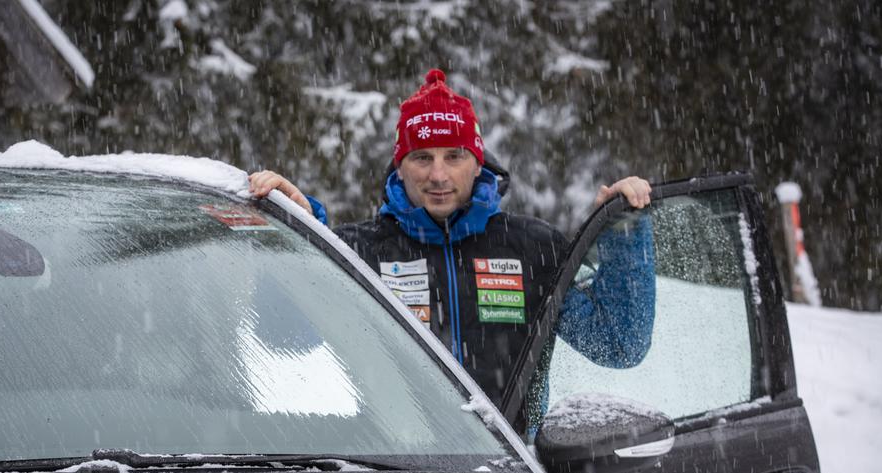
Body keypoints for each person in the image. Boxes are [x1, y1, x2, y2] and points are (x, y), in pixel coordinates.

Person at [249, 69, 655, 427]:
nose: (438, 175)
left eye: (454, 156)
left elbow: (618, 343)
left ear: (478, 163)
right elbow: (282, 337)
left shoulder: (533, 247)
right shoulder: (359, 251)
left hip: (509, 472)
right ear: (400, 166)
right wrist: (297, 239)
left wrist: (622, 232)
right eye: (422, 157)